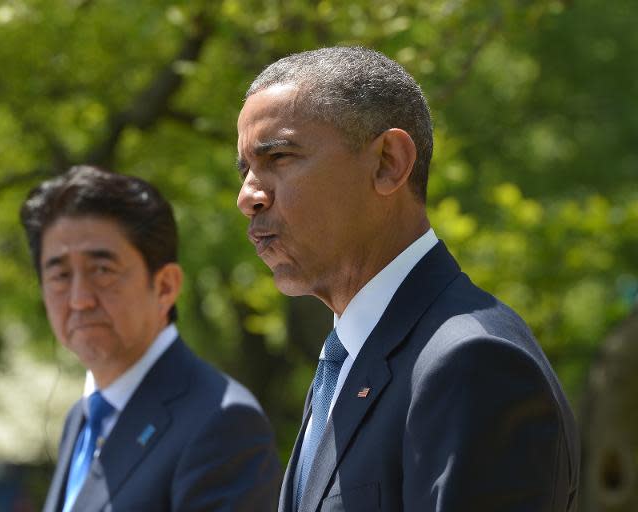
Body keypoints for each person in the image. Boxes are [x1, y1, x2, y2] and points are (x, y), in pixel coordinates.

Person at [235, 46, 580, 512]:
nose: (248, 196)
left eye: (278, 156)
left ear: (388, 163)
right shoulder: (346, 362)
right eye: (245, 170)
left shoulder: (471, 363)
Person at [20, 165, 281, 512]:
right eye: (60, 275)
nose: (79, 298)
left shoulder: (223, 422)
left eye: (102, 270)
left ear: (165, 286)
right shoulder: (80, 418)